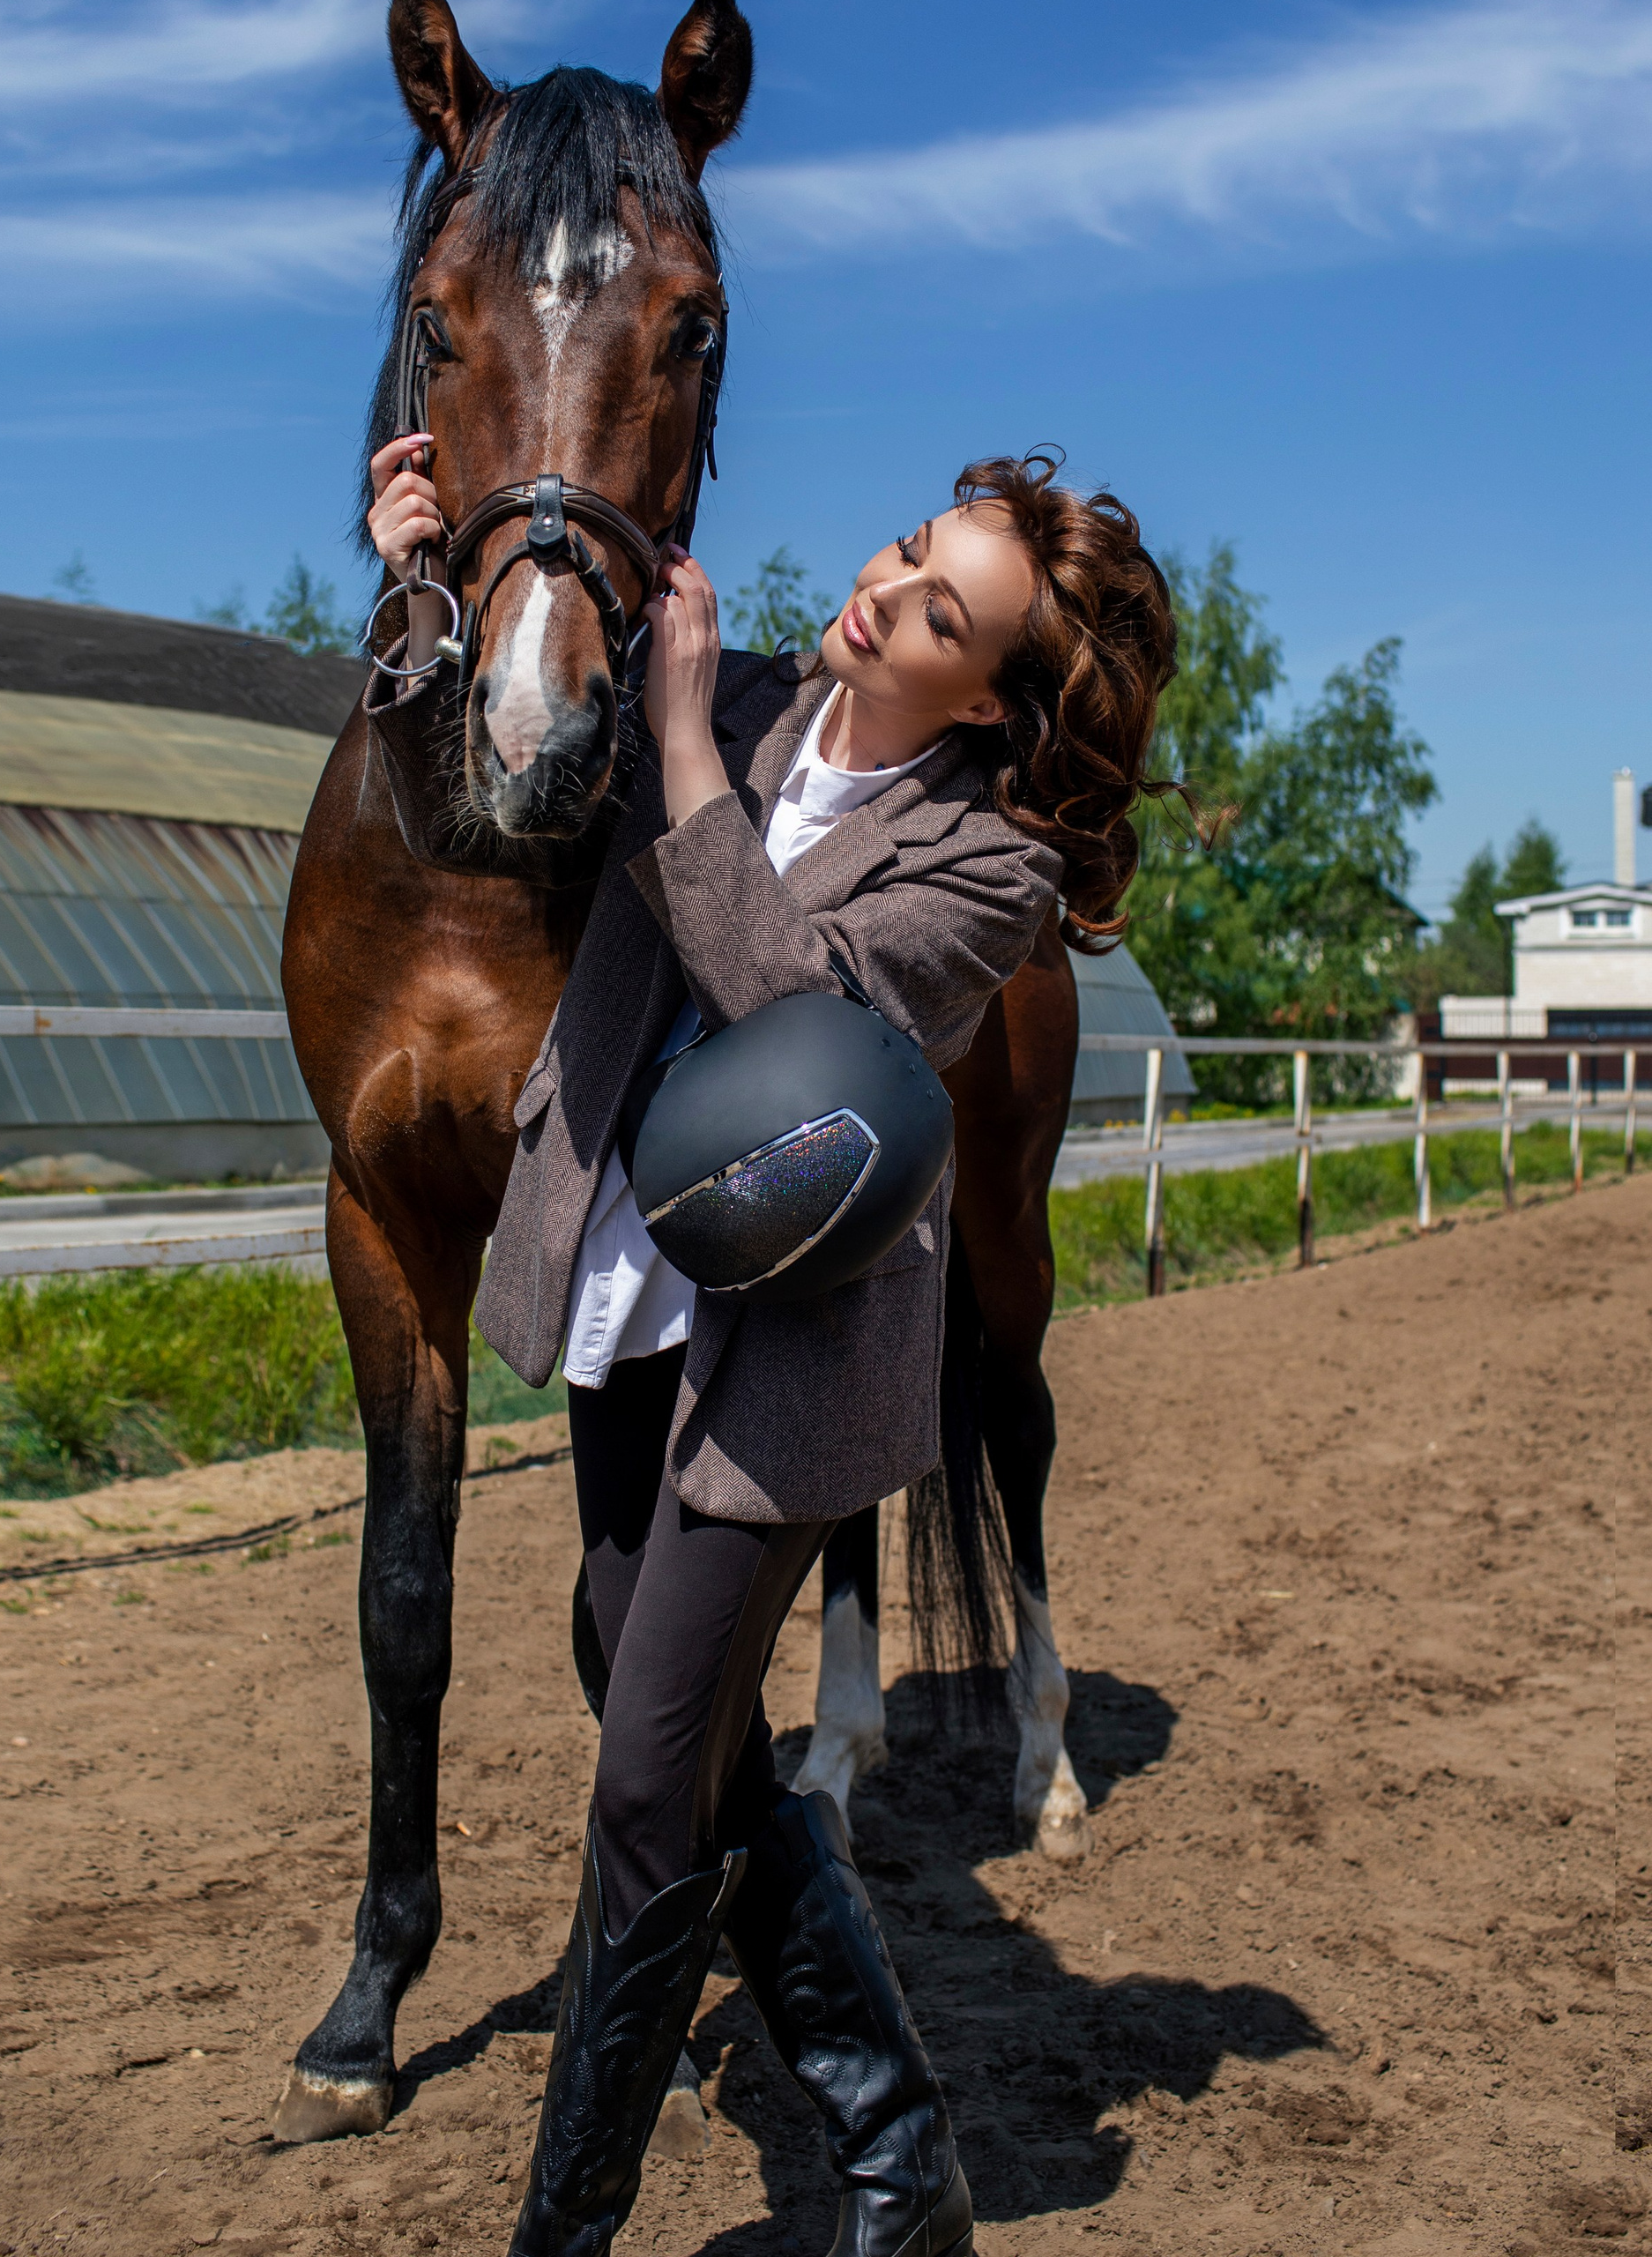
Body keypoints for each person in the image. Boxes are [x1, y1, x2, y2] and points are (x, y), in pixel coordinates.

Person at [364, 443, 1176, 2257]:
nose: (879, 594)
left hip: (784, 1358)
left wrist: (676, 752)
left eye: (939, 613)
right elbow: (471, 812)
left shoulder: (988, 867)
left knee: (650, 1778)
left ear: (990, 698)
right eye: (904, 551)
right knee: (645, 1686)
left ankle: (562, 2229)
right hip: (620, 1287)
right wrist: (420, 601)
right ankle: (897, 2147)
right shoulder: (730, 693)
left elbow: (802, 1033)